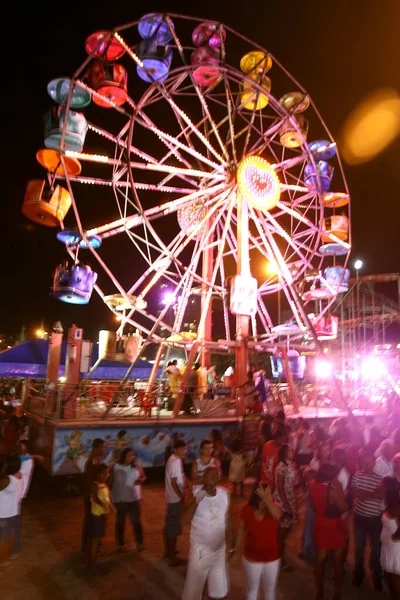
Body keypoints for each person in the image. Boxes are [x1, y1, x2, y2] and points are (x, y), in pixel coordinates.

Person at [180, 466, 233, 600]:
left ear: (219, 478)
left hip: (220, 550)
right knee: (193, 591)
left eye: (215, 477)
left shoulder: (224, 494)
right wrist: (197, 500)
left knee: (219, 591)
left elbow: (229, 522)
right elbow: (183, 520)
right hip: (201, 551)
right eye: (208, 477)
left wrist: (230, 547)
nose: (211, 480)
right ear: (204, 478)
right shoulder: (195, 493)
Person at [236, 483, 282, 600]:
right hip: (252, 558)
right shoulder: (247, 510)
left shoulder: (274, 508)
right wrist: (237, 552)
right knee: (252, 589)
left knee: (270, 589)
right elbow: (240, 531)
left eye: (269, 494)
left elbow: (277, 516)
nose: (270, 495)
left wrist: (266, 499)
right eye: (266, 493)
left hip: (272, 558)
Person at [310, 463, 348, 600]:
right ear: (331, 477)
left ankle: (319, 592)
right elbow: (344, 508)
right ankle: (337, 593)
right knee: (338, 562)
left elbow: (314, 507)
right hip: (335, 527)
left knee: (319, 562)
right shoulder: (333, 489)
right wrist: (341, 491)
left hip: (320, 524)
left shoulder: (313, 484)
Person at [351, 448, 383, 590]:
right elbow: (355, 494)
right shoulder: (357, 475)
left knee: (376, 549)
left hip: (375, 519)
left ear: (374, 463)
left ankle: (376, 576)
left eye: (370, 462)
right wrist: (372, 493)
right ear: (363, 462)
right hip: (360, 517)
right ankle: (359, 574)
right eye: (366, 461)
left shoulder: (379, 479)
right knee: (359, 548)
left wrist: (364, 494)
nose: (368, 464)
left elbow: (380, 496)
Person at [109, 447, 145, 552]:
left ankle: (140, 543)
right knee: (120, 522)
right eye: (129, 455)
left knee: (136, 522)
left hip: (134, 498)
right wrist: (108, 494)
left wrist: (140, 480)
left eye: (133, 455)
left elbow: (143, 477)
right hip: (120, 499)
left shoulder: (137, 467)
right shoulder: (116, 466)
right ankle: (120, 544)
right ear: (124, 456)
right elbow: (110, 481)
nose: (132, 457)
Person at [86, 463, 115, 574]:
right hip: (96, 516)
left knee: (95, 540)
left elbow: (108, 498)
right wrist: (103, 504)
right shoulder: (95, 485)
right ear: (99, 474)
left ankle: (90, 563)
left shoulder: (104, 485)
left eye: (108, 472)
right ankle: (93, 566)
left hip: (101, 515)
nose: (107, 475)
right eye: (105, 473)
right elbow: (94, 497)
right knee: (95, 541)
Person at [165, 438, 189, 566]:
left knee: (171, 525)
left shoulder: (175, 459)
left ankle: (170, 551)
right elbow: (174, 482)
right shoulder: (175, 462)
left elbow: (180, 477)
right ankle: (172, 557)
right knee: (173, 527)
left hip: (172, 498)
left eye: (184, 448)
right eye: (182, 449)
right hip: (174, 499)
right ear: (176, 450)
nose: (184, 451)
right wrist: (181, 497)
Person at [81, 438, 105, 553]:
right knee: (91, 523)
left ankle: (92, 547)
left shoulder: (95, 460)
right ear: (97, 447)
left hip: (93, 497)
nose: (103, 450)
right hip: (91, 498)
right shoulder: (91, 462)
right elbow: (92, 483)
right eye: (102, 447)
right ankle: (89, 548)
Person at [274, 444, 297, 557]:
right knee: (282, 530)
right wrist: (286, 506)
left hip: (290, 497)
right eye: (289, 451)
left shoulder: (290, 465)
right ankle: (278, 558)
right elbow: (280, 488)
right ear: (284, 454)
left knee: (287, 528)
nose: (292, 451)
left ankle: (280, 555)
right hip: (283, 500)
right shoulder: (281, 467)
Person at [0, 455, 23, 563]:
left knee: (3, 538)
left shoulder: (6, 480)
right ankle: (12, 553)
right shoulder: (18, 476)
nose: (3, 465)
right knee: (11, 535)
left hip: (3, 514)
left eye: (5, 463)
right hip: (14, 513)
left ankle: (3, 558)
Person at [380, 477, 400, 599]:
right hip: (388, 546)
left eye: (381, 485)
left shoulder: (396, 507)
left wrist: (396, 537)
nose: (378, 486)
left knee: (395, 581)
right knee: (389, 577)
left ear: (387, 488)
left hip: (395, 548)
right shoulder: (390, 503)